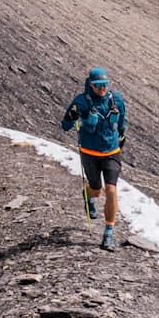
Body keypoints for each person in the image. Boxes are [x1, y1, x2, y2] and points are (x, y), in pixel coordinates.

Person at [60, 66, 126, 252]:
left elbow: (121, 124)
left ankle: (108, 234)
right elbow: (65, 125)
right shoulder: (81, 102)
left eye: (104, 84)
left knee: (111, 190)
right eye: (98, 85)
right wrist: (71, 117)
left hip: (111, 152)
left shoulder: (116, 100)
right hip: (90, 153)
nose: (102, 88)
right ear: (90, 84)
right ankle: (88, 195)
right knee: (97, 191)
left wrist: (121, 138)